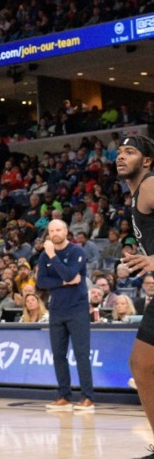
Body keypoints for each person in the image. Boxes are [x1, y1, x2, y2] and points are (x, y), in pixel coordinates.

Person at [116, 135, 154, 458]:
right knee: (141, 364)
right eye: (119, 151)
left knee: (141, 364)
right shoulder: (135, 195)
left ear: (147, 161)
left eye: (130, 151)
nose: (121, 155)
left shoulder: (150, 186)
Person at [36, 219, 94, 412]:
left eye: (58, 229)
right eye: (51, 230)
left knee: (81, 354)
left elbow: (70, 275)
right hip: (56, 310)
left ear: (66, 231)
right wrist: (62, 283)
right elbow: (42, 282)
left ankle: (87, 397)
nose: (55, 233)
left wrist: (53, 256)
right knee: (58, 355)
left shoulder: (77, 251)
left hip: (77, 308)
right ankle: (64, 396)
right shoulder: (44, 257)